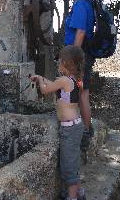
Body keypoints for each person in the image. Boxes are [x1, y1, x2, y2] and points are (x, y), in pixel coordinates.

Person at [30, 45, 86, 200]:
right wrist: (42, 78)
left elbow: (45, 90)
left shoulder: (63, 80)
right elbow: (54, 85)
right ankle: (80, 193)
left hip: (70, 129)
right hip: (74, 126)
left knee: (68, 165)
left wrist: (41, 80)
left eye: (59, 60)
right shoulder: (71, 80)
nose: (57, 63)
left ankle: (72, 197)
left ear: (66, 63)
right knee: (72, 160)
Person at [57, 0, 95, 150]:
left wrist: (73, 61)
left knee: (81, 94)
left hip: (79, 57)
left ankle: (85, 132)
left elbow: (80, 32)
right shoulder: (89, 1)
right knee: (82, 93)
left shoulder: (81, 4)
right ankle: (86, 128)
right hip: (84, 55)